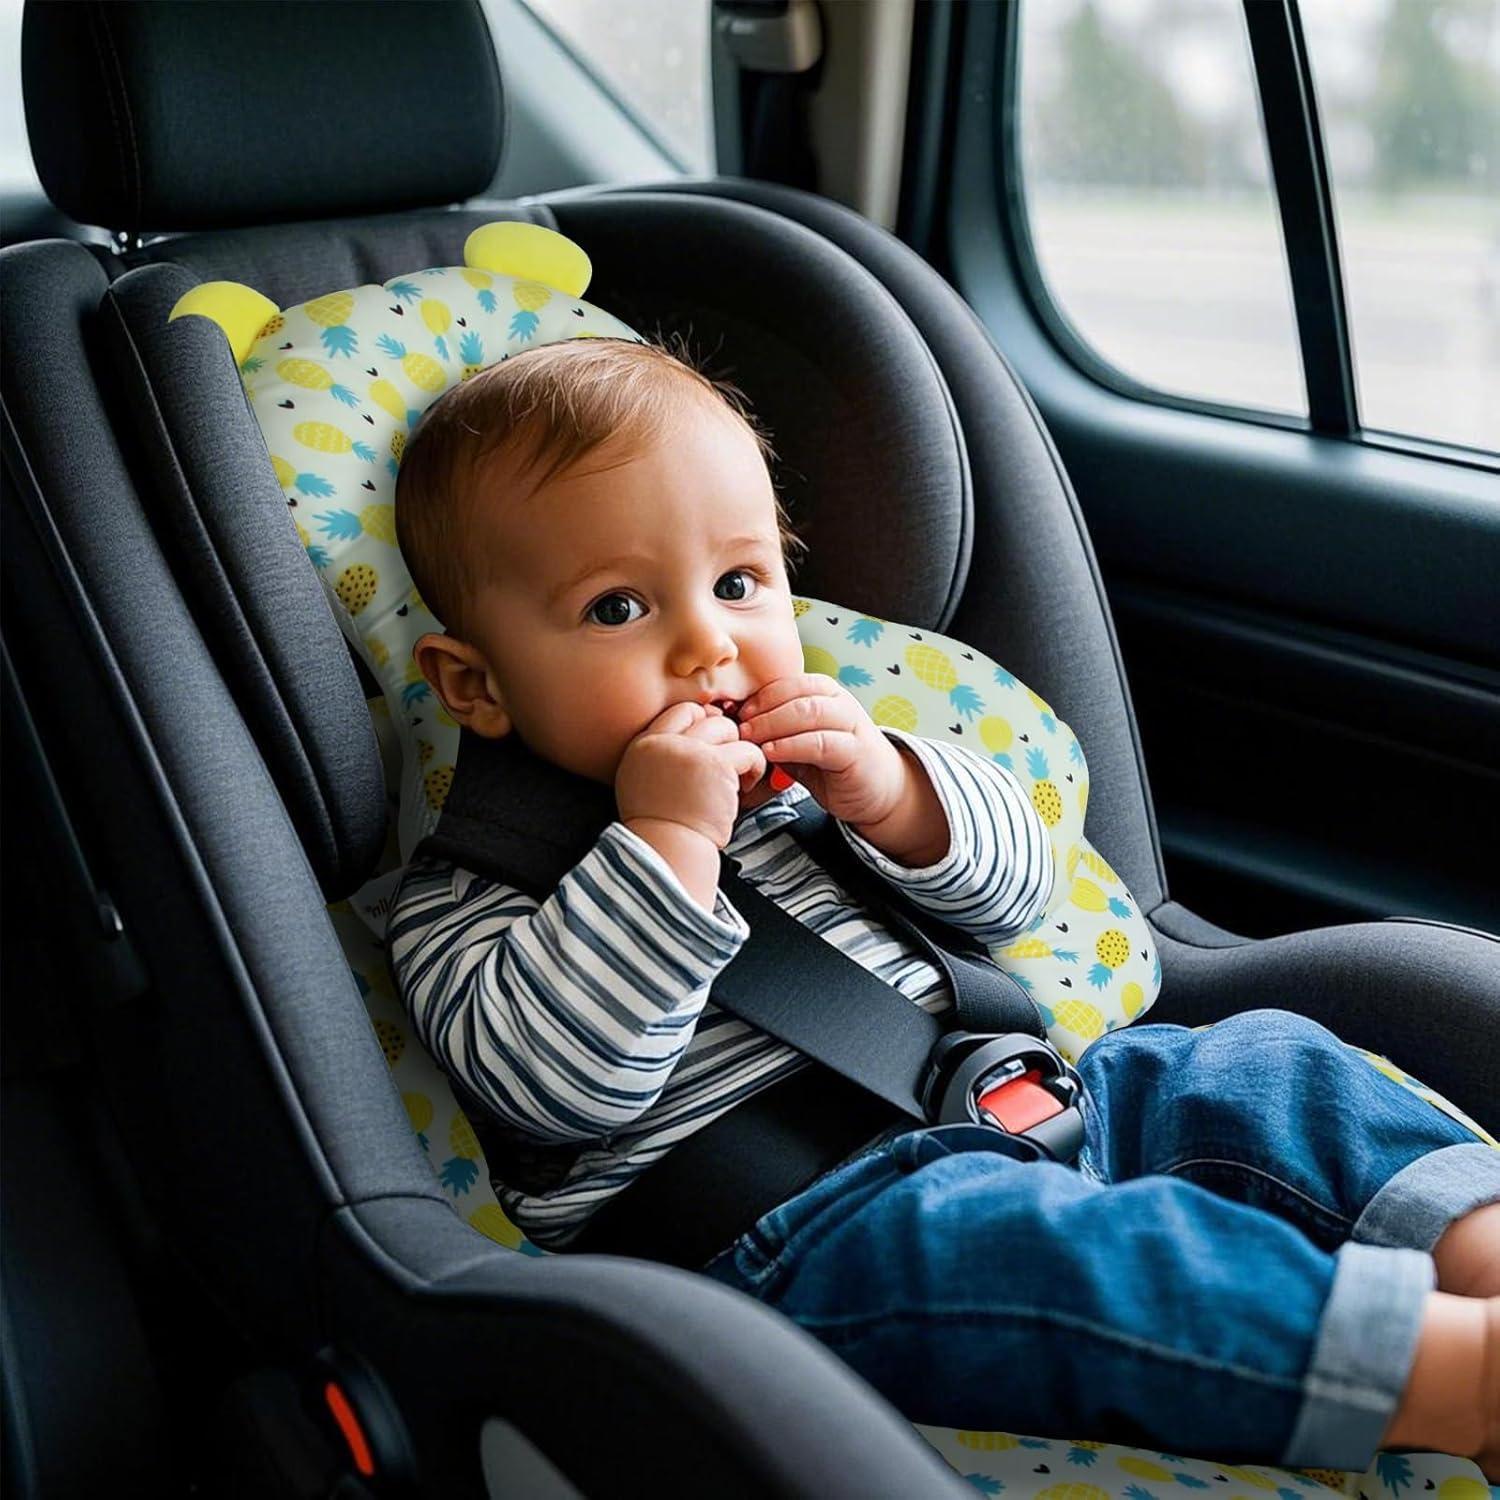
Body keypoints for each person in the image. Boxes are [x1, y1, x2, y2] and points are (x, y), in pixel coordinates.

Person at [385, 337, 1500, 1473]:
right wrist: (667, 840)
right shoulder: (472, 898)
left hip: (1041, 1100)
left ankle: (1479, 1244)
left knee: (1265, 1067)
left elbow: (1020, 892)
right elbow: (561, 1083)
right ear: (474, 683)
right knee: (1099, 1262)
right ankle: (1452, 1380)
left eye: (739, 584)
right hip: (810, 1234)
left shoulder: (819, 785)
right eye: (618, 606)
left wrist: (893, 792)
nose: (708, 645)